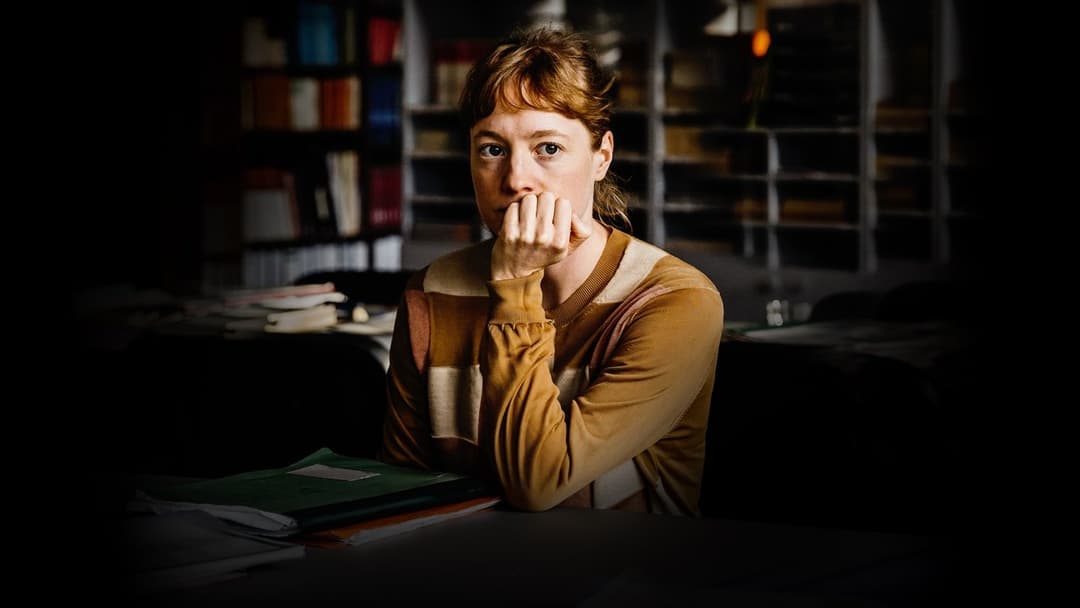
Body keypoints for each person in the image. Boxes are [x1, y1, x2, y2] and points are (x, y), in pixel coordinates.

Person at [378, 26, 724, 516]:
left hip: (624, 578)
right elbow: (398, 493)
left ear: (601, 156)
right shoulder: (432, 292)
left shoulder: (678, 301)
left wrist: (516, 288)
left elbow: (537, 483)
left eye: (548, 148)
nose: (516, 179)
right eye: (492, 149)